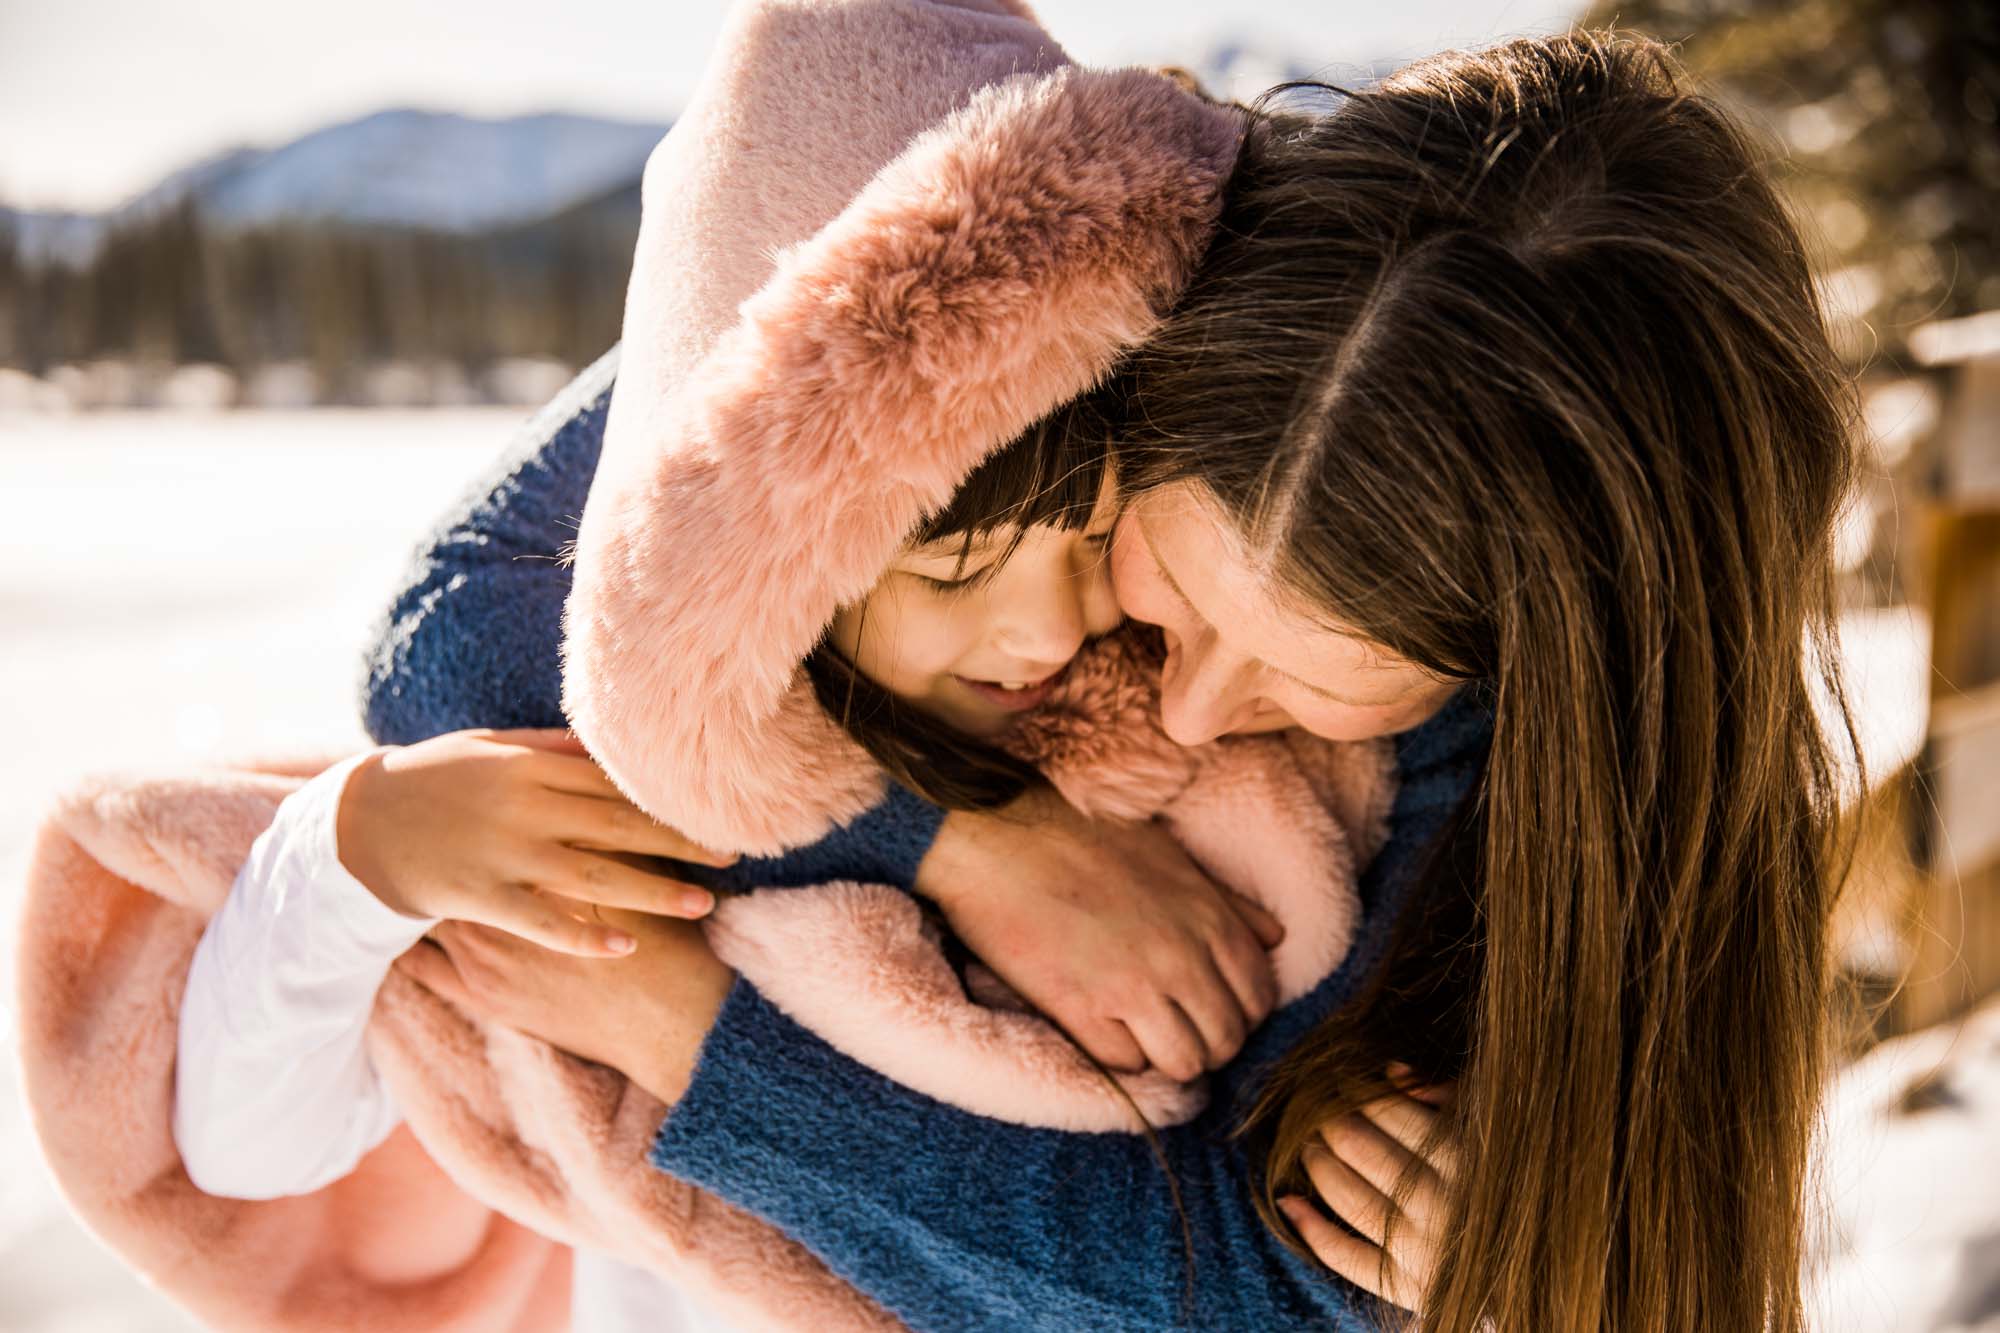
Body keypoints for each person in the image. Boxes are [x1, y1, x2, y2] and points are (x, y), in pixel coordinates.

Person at [384, 29, 1855, 1333]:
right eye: (1173, 590)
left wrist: (698, 1040)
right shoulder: (1063, 285)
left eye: (1313, 676)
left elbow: (1253, 1290)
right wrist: (963, 835)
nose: (1196, 708)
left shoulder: (1525, 750)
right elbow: (477, 628)